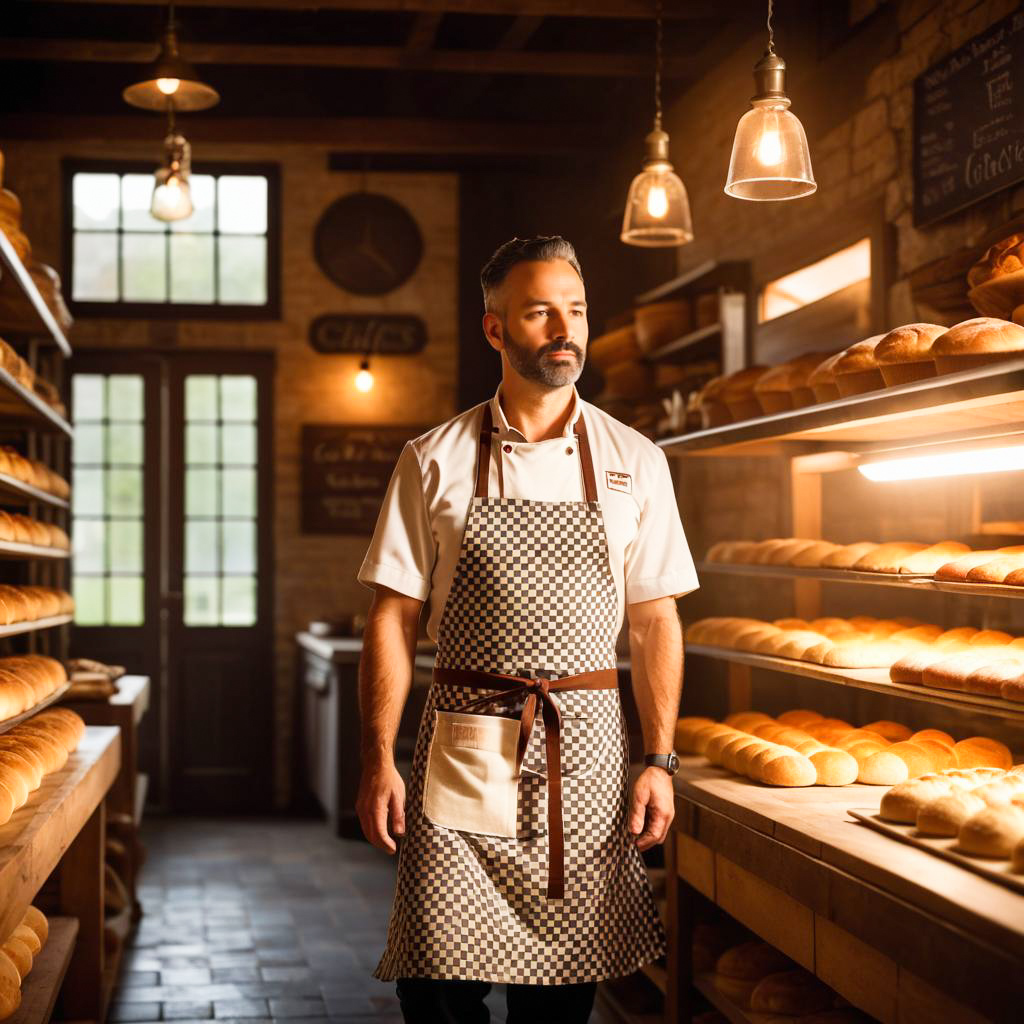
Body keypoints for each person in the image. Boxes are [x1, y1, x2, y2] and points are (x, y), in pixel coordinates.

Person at [356, 235, 698, 1022]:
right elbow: (392, 615)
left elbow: (653, 622)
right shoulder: (433, 458)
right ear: (495, 329)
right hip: (466, 748)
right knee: (434, 984)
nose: (564, 328)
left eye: (575, 310)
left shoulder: (636, 460)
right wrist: (378, 758)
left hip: (586, 757)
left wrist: (661, 761)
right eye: (540, 311)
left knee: (560, 999)